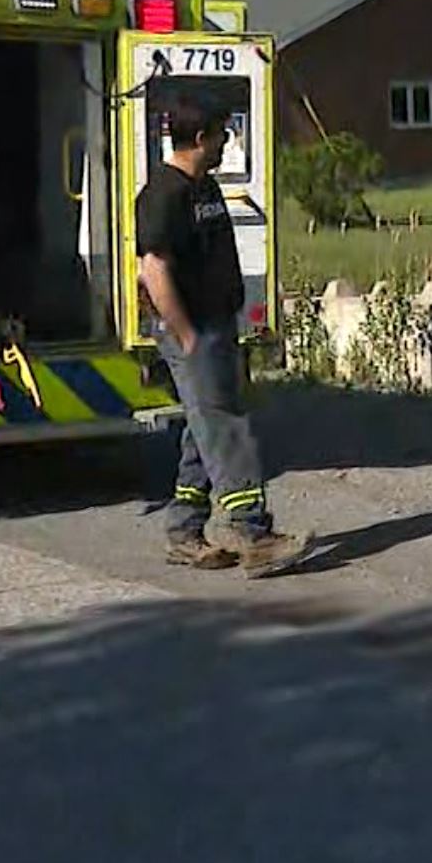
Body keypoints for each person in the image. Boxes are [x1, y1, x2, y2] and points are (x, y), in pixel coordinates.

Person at [137, 95, 310, 576]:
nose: (224, 144)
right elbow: (153, 269)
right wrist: (186, 333)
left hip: (216, 324)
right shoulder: (163, 194)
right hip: (193, 331)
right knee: (226, 427)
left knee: (203, 427)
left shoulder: (202, 186)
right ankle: (256, 535)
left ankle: (185, 531)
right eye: (220, 135)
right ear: (199, 139)